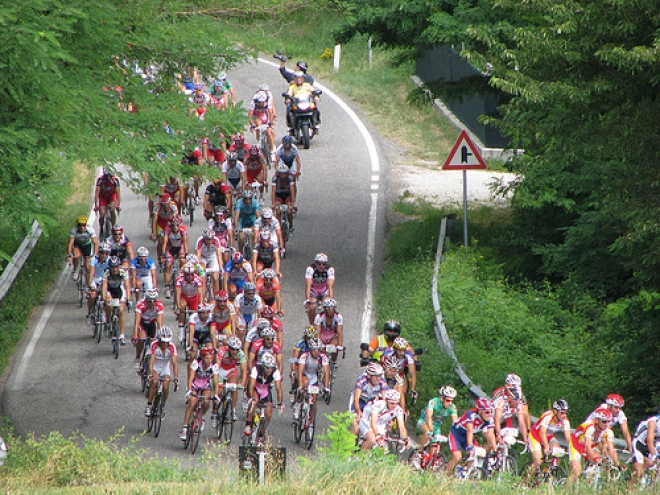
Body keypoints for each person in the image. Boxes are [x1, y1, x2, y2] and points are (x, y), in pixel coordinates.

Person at [446, 398, 498, 473]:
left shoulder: (489, 419)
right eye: (487, 412)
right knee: (457, 457)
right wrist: (470, 445)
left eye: (491, 412)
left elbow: (491, 434)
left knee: (476, 453)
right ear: (480, 411)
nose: (489, 414)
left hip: (468, 436)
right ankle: (445, 475)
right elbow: (469, 431)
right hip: (456, 435)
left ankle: (465, 472)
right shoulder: (471, 414)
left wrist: (495, 450)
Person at [180, 346, 221, 441]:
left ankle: (201, 416)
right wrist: (189, 390)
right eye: (207, 358)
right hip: (195, 385)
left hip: (205, 386)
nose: (209, 360)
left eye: (211, 358)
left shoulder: (214, 365)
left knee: (207, 402)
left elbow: (215, 382)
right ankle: (185, 428)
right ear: (202, 357)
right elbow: (190, 378)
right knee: (192, 402)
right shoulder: (196, 363)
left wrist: (216, 395)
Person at [569, 407, 620, 481]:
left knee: (598, 463)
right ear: (596, 420)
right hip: (576, 445)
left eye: (608, 422)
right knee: (577, 473)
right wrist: (594, 459)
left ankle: (588, 484)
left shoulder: (608, 431)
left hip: (589, 445)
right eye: (604, 421)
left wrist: (618, 465)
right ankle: (564, 489)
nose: (606, 424)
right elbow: (587, 446)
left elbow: (612, 450)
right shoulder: (589, 427)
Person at [244, 353, 284, 442]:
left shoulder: (275, 371)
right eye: (267, 368)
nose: (269, 370)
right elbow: (251, 385)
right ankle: (248, 424)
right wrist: (251, 397)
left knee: (269, 412)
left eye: (271, 368)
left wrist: (280, 402)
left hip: (265, 390)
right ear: (262, 366)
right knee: (255, 401)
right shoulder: (256, 369)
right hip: (255, 388)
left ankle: (262, 431)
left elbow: (278, 388)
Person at [528, 399, 572, 473]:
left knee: (559, 453)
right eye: (562, 413)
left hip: (548, 437)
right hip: (535, 436)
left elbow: (568, 438)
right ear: (555, 411)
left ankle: (546, 474)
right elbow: (542, 432)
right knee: (538, 461)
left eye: (566, 413)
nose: (564, 415)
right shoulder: (548, 416)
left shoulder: (565, 421)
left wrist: (571, 448)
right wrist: (546, 446)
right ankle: (526, 480)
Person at [292, 338, 331, 421]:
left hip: (314, 376)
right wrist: (300, 385)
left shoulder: (323, 357)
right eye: (314, 350)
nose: (317, 352)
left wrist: (326, 387)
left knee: (314, 400)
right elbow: (300, 371)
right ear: (310, 349)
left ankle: (311, 423)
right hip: (305, 374)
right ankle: (298, 404)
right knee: (305, 383)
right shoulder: (304, 356)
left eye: (319, 349)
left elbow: (326, 373)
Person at [212, 336, 247, 425]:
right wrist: (218, 382)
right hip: (220, 370)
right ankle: (215, 412)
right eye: (232, 349)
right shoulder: (222, 351)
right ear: (229, 348)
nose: (235, 351)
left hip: (231, 371)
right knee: (219, 391)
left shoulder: (241, 354)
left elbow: (244, 369)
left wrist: (242, 383)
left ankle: (233, 410)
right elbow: (217, 365)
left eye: (237, 350)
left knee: (234, 387)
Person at [145, 326, 178, 418]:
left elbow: (175, 363)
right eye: (163, 342)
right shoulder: (154, 345)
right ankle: (149, 404)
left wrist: (176, 378)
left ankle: (162, 405)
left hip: (165, 367)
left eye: (167, 342)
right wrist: (152, 374)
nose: (165, 344)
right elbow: (151, 361)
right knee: (154, 382)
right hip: (155, 366)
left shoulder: (171, 347)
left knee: (166, 386)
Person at [350, 362, 390, 435]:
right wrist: (359, 413)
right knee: (356, 426)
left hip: (371, 403)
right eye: (376, 376)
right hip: (360, 402)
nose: (379, 378)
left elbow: (386, 400)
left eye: (380, 376)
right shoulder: (361, 381)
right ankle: (351, 444)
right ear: (369, 376)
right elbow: (356, 400)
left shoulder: (382, 382)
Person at [101, 256, 131, 345]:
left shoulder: (123, 272)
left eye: (116, 266)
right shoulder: (106, 272)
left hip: (119, 290)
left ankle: (122, 335)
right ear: (109, 267)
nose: (114, 269)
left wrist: (128, 299)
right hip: (110, 291)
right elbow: (104, 287)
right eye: (112, 267)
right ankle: (108, 322)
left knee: (121, 310)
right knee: (109, 305)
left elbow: (127, 286)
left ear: (119, 266)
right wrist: (104, 299)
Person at [132, 288, 164, 370]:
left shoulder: (159, 306)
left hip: (152, 324)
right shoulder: (140, 305)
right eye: (149, 301)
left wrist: (161, 336)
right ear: (146, 300)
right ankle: (138, 358)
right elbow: (137, 321)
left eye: (154, 301)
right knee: (142, 338)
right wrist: (135, 335)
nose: (152, 303)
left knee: (153, 342)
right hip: (142, 323)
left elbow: (159, 323)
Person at [174, 263, 204, 344]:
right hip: (184, 296)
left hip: (194, 297)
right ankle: (181, 328)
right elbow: (178, 293)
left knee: (193, 316)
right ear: (184, 274)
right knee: (182, 306)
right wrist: (178, 305)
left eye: (191, 275)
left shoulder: (198, 279)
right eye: (187, 275)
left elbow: (200, 293)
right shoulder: (179, 279)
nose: (189, 277)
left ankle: (193, 334)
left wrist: (200, 303)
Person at [381, 337, 417, 406]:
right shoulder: (387, 354)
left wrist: (413, 389)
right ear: (395, 349)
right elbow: (382, 368)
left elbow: (413, 373)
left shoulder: (408, 356)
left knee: (402, 394)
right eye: (400, 350)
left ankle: (401, 409)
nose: (402, 353)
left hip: (400, 374)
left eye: (403, 350)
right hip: (387, 373)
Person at [492, 383, 529, 448]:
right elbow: (497, 420)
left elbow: (522, 423)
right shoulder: (501, 403)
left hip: (504, 419)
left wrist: (526, 439)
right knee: (493, 441)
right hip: (491, 420)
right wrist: (498, 436)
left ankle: (504, 456)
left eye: (519, 400)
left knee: (506, 441)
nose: (517, 403)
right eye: (515, 400)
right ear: (509, 398)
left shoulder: (518, 405)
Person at [161, 217, 189, 299]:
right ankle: (167, 288)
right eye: (173, 226)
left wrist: (186, 254)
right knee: (168, 265)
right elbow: (165, 243)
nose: (175, 228)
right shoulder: (167, 230)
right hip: (170, 248)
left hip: (180, 247)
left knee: (183, 262)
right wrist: (163, 254)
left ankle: (183, 280)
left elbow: (185, 243)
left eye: (177, 226)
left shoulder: (183, 230)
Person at [304, 253, 335, 324]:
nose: (321, 266)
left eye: (323, 264)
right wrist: (307, 299)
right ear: (315, 263)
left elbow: (330, 286)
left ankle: (327, 323)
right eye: (319, 264)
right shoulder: (310, 269)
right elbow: (308, 285)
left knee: (329, 308)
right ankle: (311, 324)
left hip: (324, 291)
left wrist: (331, 300)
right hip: (314, 291)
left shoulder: (330, 269)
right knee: (312, 307)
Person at [630, 410, 660, 484]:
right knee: (639, 471)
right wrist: (654, 456)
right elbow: (649, 440)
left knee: (655, 466)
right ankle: (629, 491)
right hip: (639, 445)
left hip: (651, 445)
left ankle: (651, 487)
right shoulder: (653, 422)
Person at [67, 215, 98, 282]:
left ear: (86, 225)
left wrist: (95, 254)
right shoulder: (74, 230)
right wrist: (69, 253)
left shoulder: (90, 229)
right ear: (77, 225)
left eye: (84, 225)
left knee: (87, 266)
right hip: (77, 245)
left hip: (87, 245)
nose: (82, 227)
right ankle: (75, 270)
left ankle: (88, 279)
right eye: (80, 225)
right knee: (75, 255)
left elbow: (95, 243)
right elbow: (70, 243)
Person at [248, 90, 276, 160]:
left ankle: (272, 151)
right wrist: (252, 124)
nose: (261, 104)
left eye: (262, 102)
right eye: (259, 102)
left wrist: (270, 122)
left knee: (269, 132)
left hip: (265, 117)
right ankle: (258, 141)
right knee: (257, 123)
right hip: (257, 118)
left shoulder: (268, 102)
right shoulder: (253, 103)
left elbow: (270, 113)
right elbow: (250, 115)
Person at [86, 242, 111, 319]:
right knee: (93, 295)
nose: (104, 255)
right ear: (98, 253)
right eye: (102, 253)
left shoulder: (110, 260)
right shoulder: (94, 259)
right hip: (95, 279)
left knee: (107, 297)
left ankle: (105, 313)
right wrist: (90, 285)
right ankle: (90, 311)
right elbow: (92, 272)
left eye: (106, 253)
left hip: (105, 279)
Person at [151, 193, 179, 261]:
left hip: (170, 222)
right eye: (163, 204)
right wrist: (154, 233)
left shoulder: (173, 205)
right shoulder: (157, 206)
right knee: (160, 240)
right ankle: (160, 257)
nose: (165, 206)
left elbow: (176, 219)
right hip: (160, 223)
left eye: (167, 204)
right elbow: (154, 221)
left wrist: (176, 229)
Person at [195, 228, 223, 296]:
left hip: (212, 257)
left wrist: (221, 267)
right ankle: (203, 296)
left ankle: (216, 297)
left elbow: (219, 255)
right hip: (202, 257)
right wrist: (198, 267)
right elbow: (197, 257)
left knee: (215, 277)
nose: (209, 242)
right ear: (204, 238)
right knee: (202, 275)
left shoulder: (216, 240)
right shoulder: (199, 241)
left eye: (211, 239)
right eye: (207, 239)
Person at [234, 189, 262, 257]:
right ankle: (240, 252)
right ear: (243, 199)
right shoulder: (239, 202)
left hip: (252, 219)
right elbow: (236, 217)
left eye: (249, 199)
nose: (248, 201)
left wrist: (258, 227)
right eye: (246, 199)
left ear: (252, 198)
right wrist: (237, 229)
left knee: (254, 235)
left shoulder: (256, 202)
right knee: (241, 237)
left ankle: (254, 251)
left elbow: (258, 217)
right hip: (242, 219)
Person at [94, 169, 121, 234]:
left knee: (112, 209)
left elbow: (118, 194)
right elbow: (97, 192)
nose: (108, 179)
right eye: (106, 177)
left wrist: (118, 206)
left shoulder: (115, 180)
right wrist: (96, 206)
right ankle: (101, 228)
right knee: (102, 213)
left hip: (112, 195)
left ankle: (113, 226)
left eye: (110, 177)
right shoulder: (100, 180)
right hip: (103, 196)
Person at [271, 163, 296, 231]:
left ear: (287, 173)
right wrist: (273, 204)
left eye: (284, 173)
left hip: (287, 195)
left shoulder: (290, 178)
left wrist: (293, 203)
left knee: (289, 212)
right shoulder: (275, 179)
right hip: (279, 196)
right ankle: (278, 228)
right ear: (278, 173)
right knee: (278, 212)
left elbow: (292, 191)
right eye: (281, 173)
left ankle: (291, 225)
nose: (283, 175)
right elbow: (273, 191)